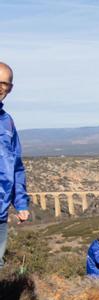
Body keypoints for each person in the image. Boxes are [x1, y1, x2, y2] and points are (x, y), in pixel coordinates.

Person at [0, 62, 29, 269]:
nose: (2, 88)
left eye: (6, 84)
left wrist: (21, 204)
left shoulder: (7, 122)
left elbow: (16, 166)